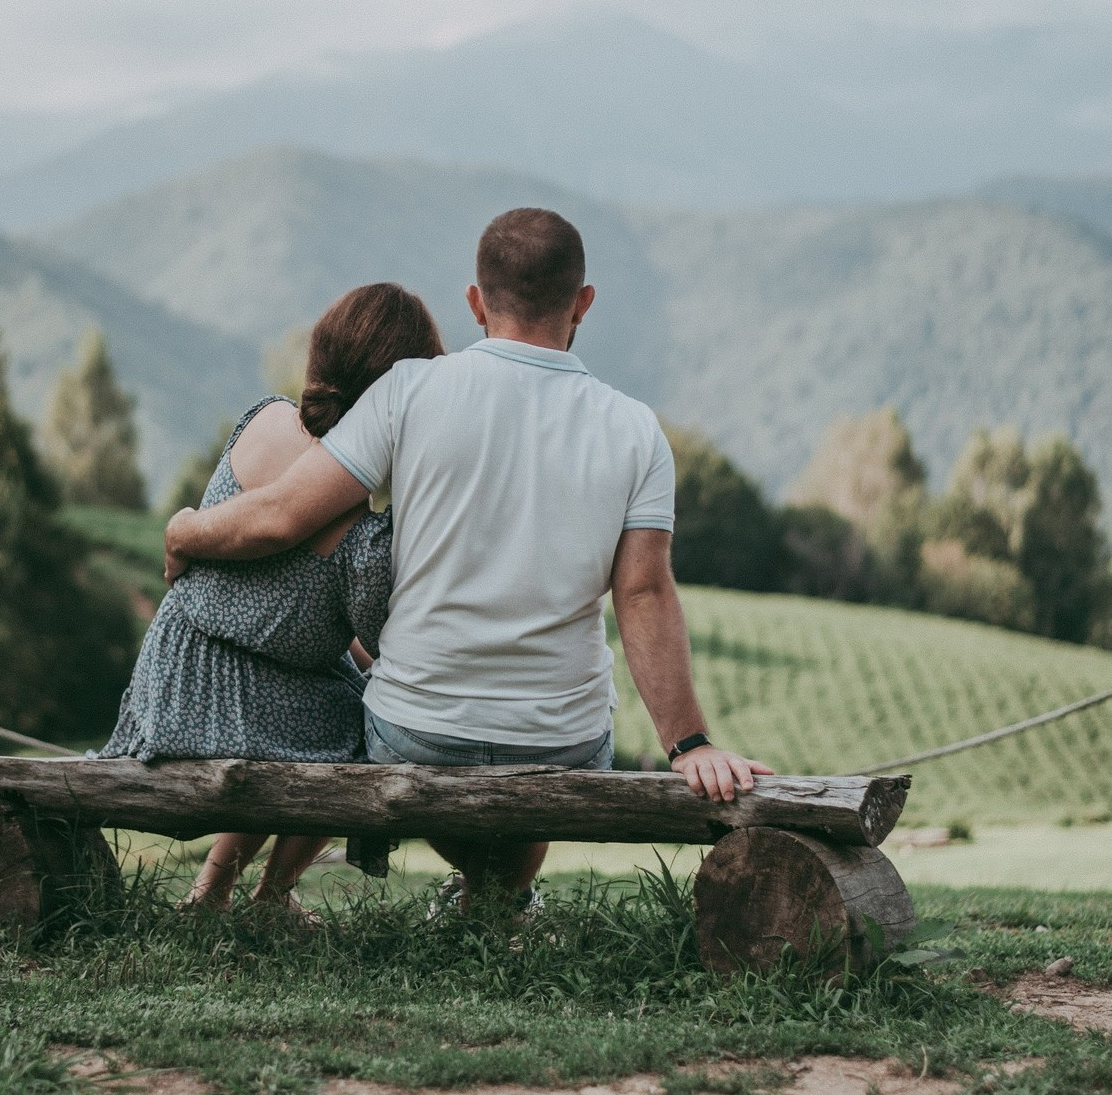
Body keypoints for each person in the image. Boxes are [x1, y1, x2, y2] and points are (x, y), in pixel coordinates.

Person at [164, 206, 772, 912]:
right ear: (584, 303)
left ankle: (476, 895)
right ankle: (494, 897)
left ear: (476, 302)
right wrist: (689, 742)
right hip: (561, 742)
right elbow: (643, 594)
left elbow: (280, 515)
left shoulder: (408, 391)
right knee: (544, 756)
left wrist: (185, 531)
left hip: (415, 732)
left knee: (361, 707)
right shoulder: (636, 430)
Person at [101, 281, 445, 915]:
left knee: (320, 703)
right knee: (366, 733)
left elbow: (282, 599)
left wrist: (179, 528)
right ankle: (271, 896)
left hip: (177, 674)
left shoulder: (264, 418)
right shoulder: (362, 531)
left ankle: (211, 891)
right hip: (244, 701)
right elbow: (377, 641)